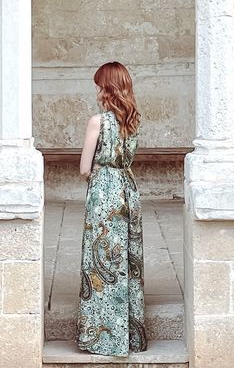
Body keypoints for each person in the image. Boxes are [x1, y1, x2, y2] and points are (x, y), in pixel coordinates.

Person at [76, 61, 146, 356]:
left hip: (104, 192)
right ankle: (130, 338)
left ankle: (103, 339)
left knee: (100, 265)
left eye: (98, 85)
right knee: (127, 263)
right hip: (127, 190)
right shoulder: (132, 122)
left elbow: (83, 168)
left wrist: (96, 173)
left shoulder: (98, 122)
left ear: (106, 88)